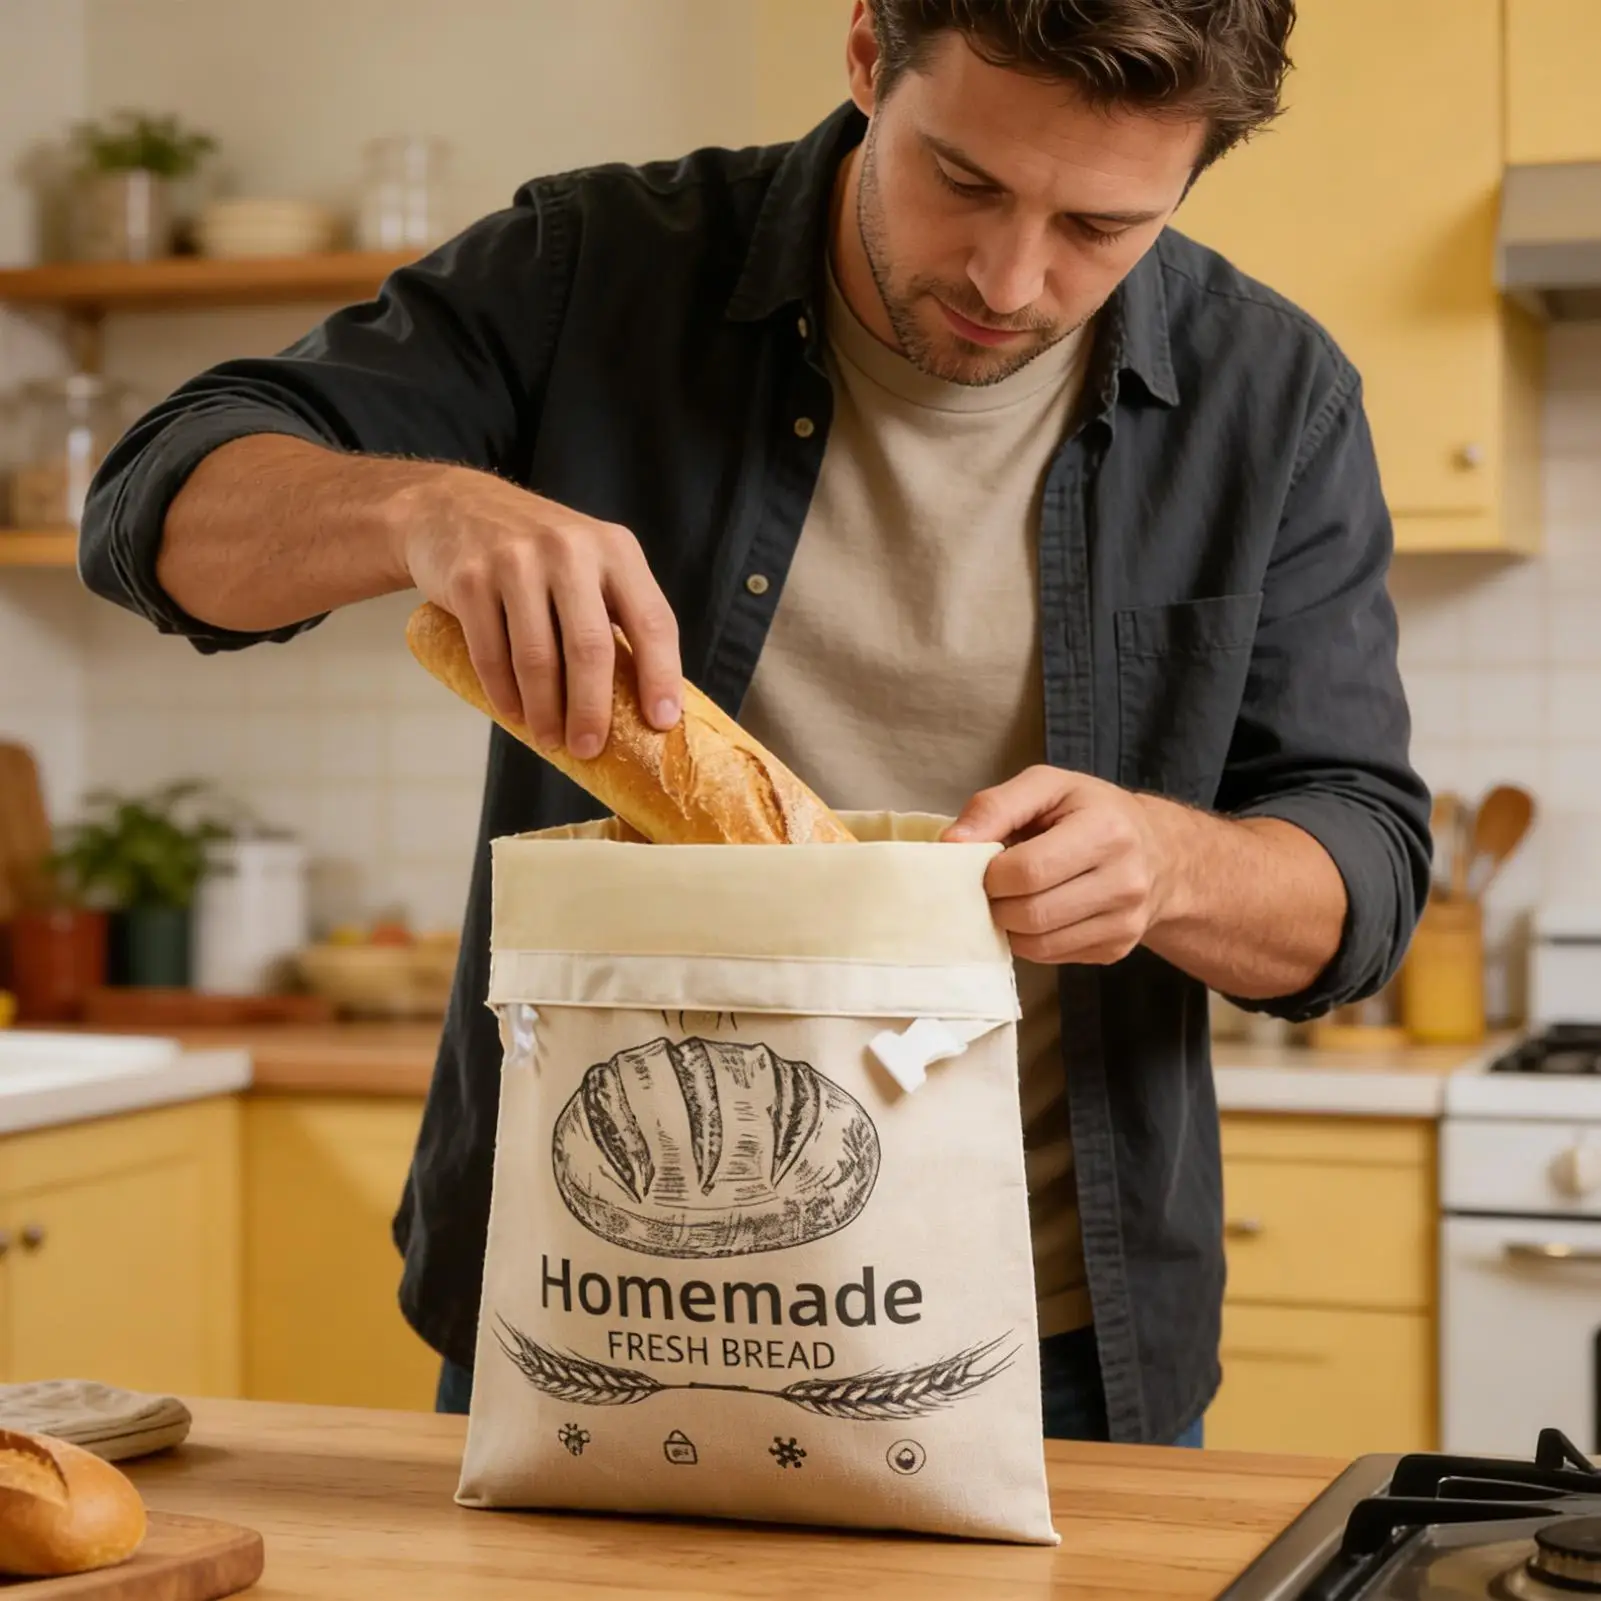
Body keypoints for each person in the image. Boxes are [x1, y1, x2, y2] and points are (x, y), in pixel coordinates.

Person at [80, 0, 1430, 1448]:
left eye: (1100, 227)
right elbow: (151, 513)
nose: (1010, 277)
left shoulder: (1271, 397)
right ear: (867, 59)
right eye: (963, 180)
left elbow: (1362, 875)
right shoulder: (589, 266)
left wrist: (1169, 864)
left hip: (1052, 1343)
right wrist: (420, 507)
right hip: (582, 1307)